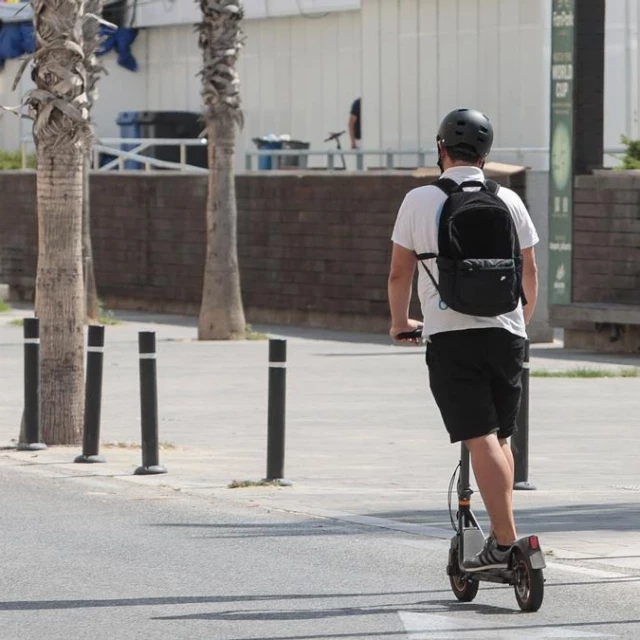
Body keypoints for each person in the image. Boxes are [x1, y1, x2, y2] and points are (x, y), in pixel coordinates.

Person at [387, 108, 539, 572]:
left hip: (452, 336)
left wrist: (400, 323)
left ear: (441, 149)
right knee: (501, 437)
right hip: (507, 333)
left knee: (479, 436)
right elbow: (528, 273)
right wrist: (520, 321)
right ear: (487, 153)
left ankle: (508, 542)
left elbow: (399, 273)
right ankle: (501, 537)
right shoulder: (509, 200)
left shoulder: (418, 200)